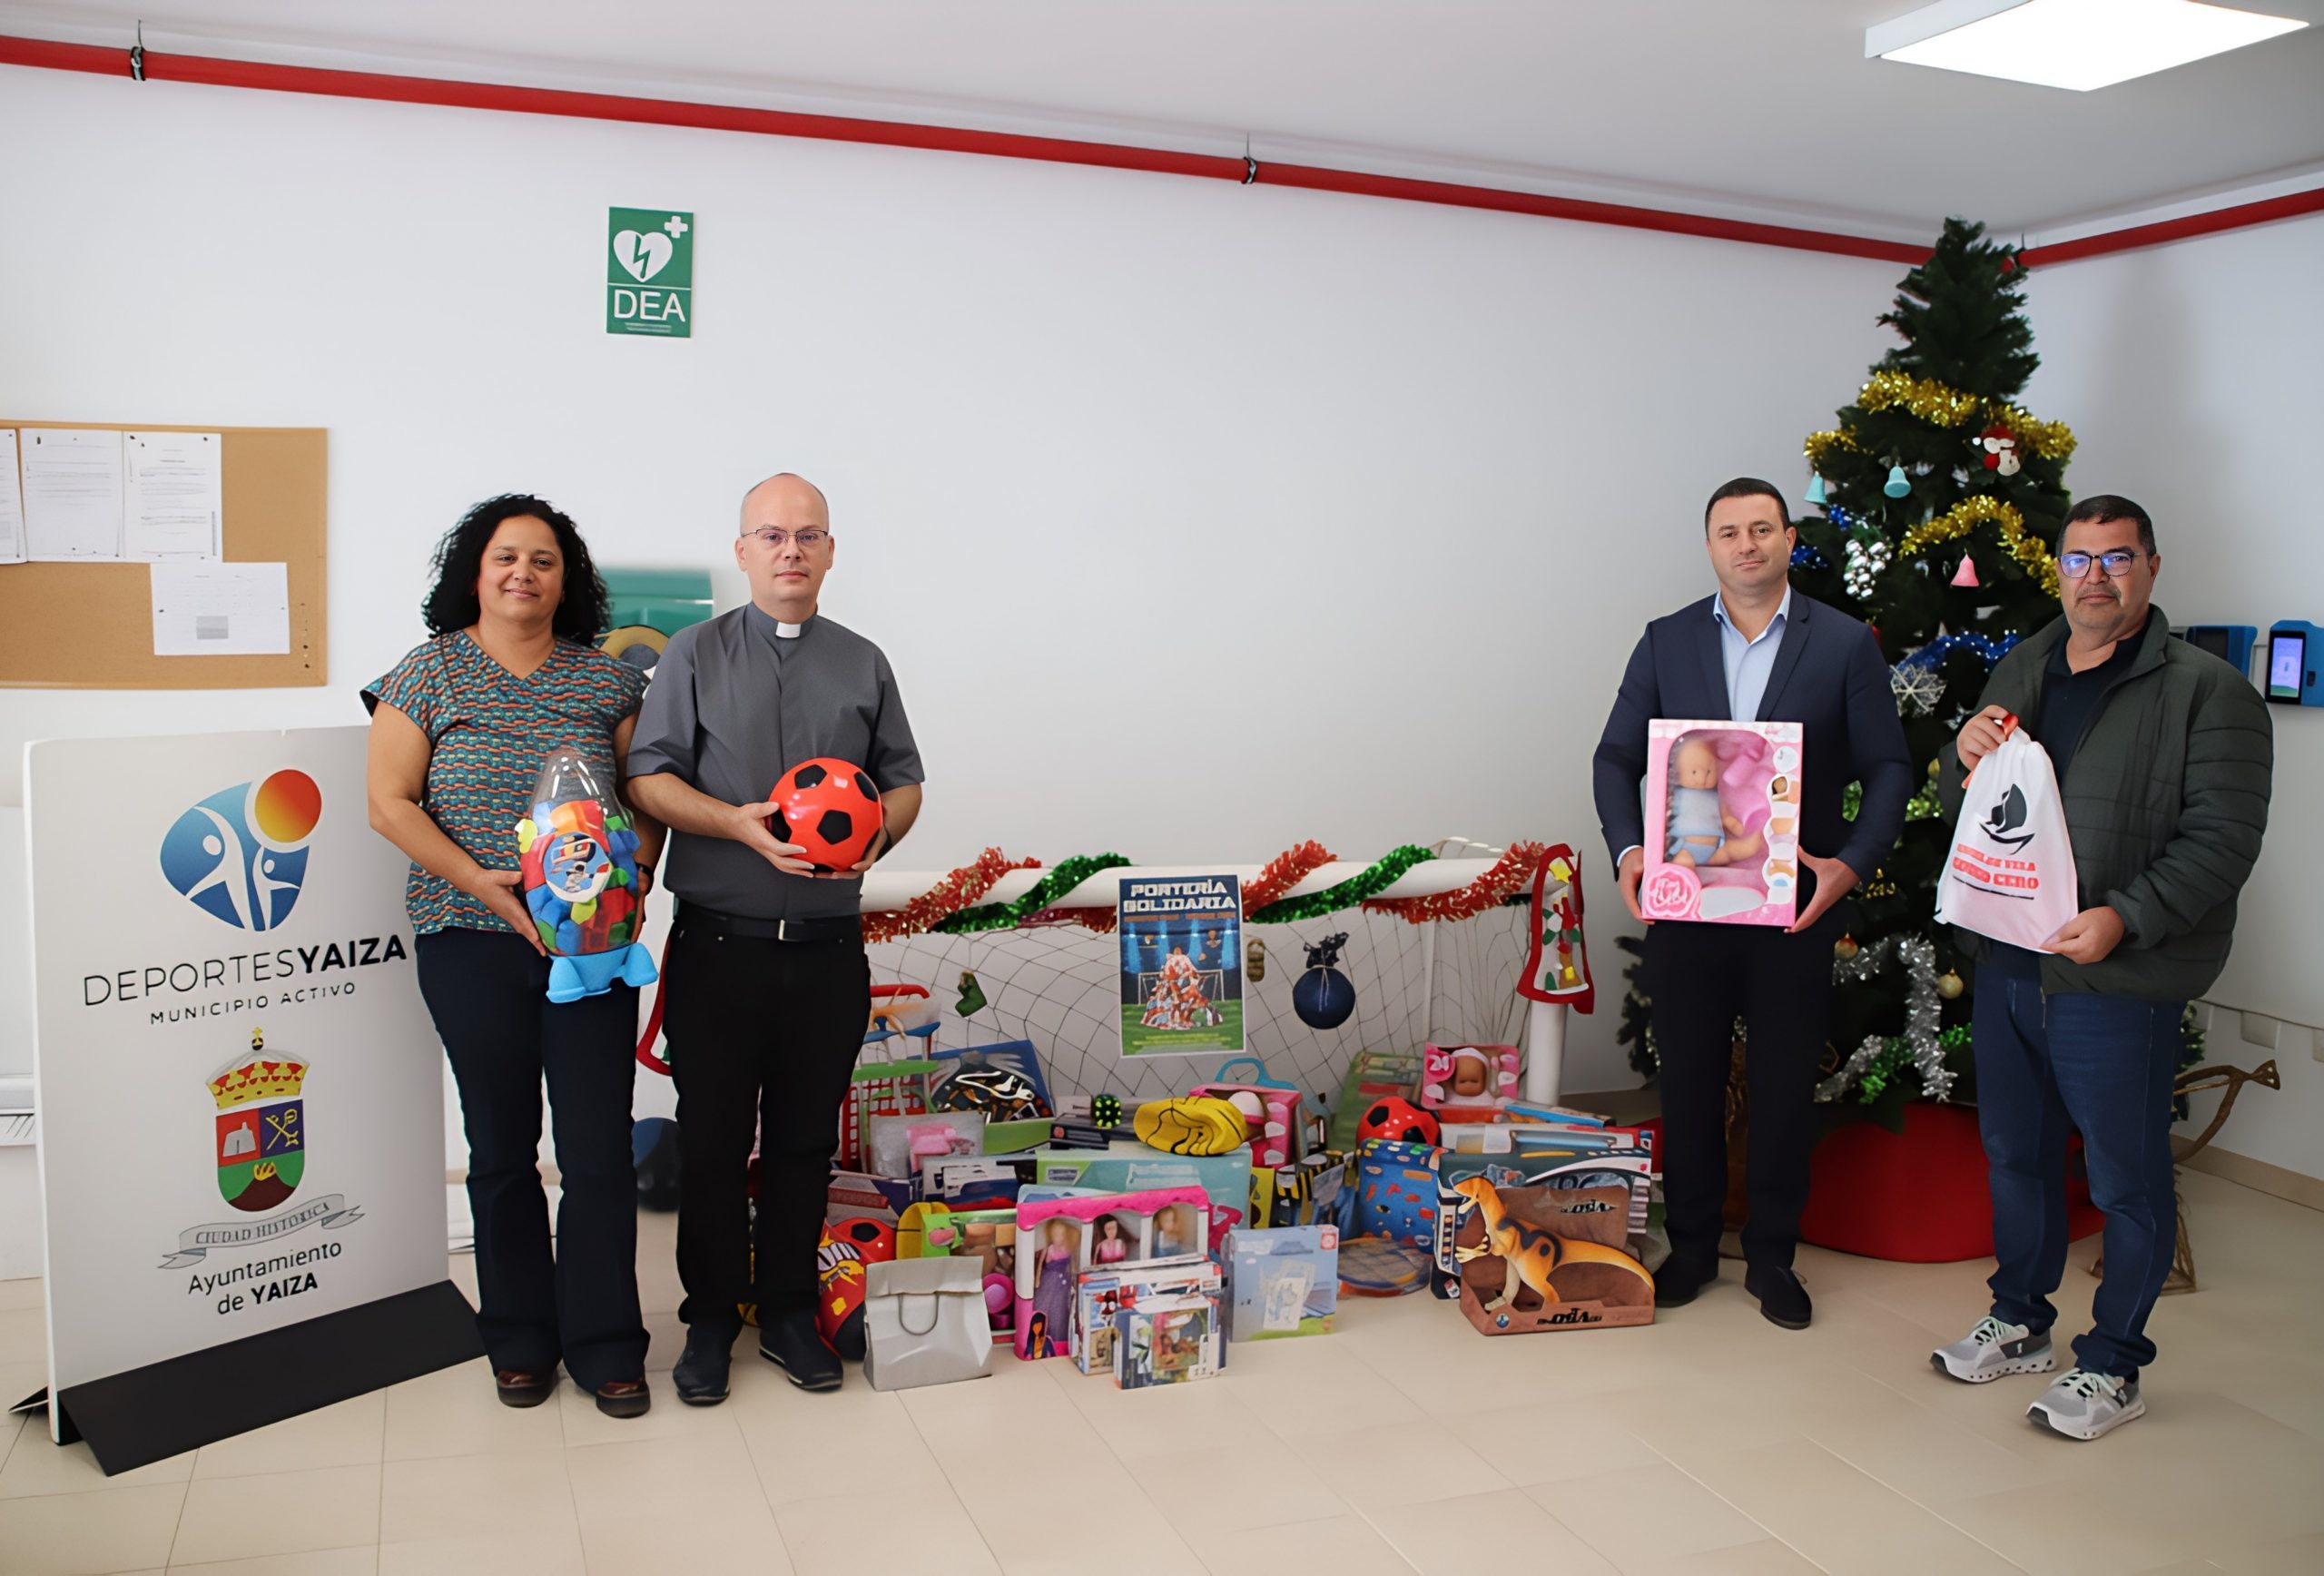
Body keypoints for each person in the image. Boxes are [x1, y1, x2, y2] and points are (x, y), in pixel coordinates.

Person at [1932, 495, 2270, 1440]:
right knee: (2016, 1155)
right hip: (2005, 962)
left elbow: (2222, 841)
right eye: (2078, 559)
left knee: (2125, 1179)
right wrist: (1953, 755)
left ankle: (2113, 1363)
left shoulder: (2209, 691)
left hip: (2113, 979)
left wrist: (2125, 917)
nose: (2095, 577)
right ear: (2056, 571)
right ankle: (2021, 1318)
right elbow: (1972, 797)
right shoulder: (2027, 663)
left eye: (2115, 558)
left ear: (2151, 568)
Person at [625, 473, 923, 1401]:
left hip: (829, 950)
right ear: (743, 550)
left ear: (830, 551)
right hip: (720, 946)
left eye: (808, 535)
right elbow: (649, 779)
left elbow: (903, 779)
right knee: (712, 1139)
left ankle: (791, 1309)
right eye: (771, 534)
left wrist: (877, 833)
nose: (790, 549)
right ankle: (710, 1318)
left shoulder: (864, 661)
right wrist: (735, 823)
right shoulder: (691, 653)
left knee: (802, 1141)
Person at [364, 494, 661, 1418]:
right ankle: (520, 1338)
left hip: (589, 950)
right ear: (475, 571)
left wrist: (638, 869)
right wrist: (482, 880)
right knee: (499, 1151)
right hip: (467, 939)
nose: (523, 573)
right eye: (505, 557)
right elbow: (390, 801)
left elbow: (644, 794)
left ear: (565, 579)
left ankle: (608, 1342)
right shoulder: (427, 674)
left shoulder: (604, 683)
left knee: (598, 1152)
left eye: (543, 559)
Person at [1592, 478, 1912, 1329]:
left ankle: (1773, 1256)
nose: (1747, 545)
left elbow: (1889, 767)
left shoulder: (1843, 644)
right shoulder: (1665, 642)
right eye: (1729, 532)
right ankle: (1692, 1248)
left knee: (1780, 1089)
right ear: (1710, 547)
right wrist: (1629, 852)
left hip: (1792, 911)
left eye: (1762, 529)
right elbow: (1614, 757)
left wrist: (1848, 865)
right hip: (1686, 907)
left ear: (1788, 539)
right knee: (1689, 1082)